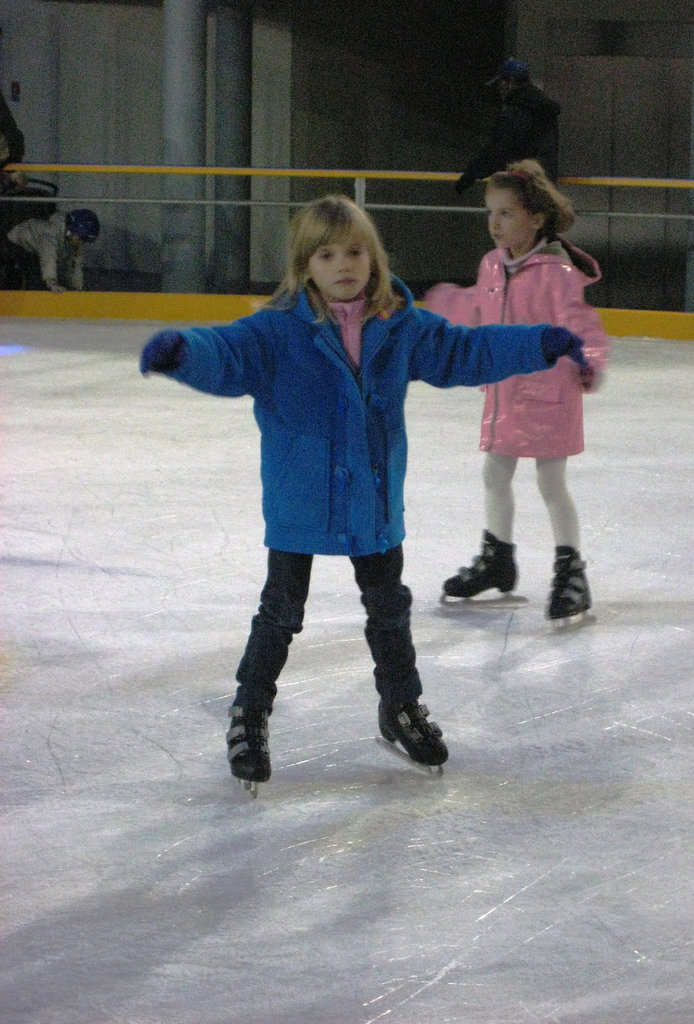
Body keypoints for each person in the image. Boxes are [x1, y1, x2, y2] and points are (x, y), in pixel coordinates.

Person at [139, 193, 589, 790]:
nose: (344, 265)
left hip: (373, 499)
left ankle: (399, 707)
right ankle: (250, 711)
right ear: (306, 267)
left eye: (354, 251)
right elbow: (227, 353)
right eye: (327, 255)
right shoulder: (277, 331)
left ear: (373, 258)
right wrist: (182, 354)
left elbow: (466, 351)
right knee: (280, 613)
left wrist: (538, 343)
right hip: (302, 501)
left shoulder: (399, 325)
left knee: (389, 610)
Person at [425, 160, 610, 624]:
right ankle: (497, 558)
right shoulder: (492, 265)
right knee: (495, 474)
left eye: (506, 213)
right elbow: (475, 306)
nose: (494, 223)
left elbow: (581, 323)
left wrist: (589, 359)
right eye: (491, 213)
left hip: (549, 395)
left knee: (551, 483)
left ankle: (571, 570)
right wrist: (439, 301)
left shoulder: (557, 274)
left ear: (536, 218)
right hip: (505, 395)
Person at [455, 58, 560, 196]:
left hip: (522, 185)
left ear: (510, 82)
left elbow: (498, 150)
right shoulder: (545, 111)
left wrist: (470, 176)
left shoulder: (515, 112)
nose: (499, 89)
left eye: (500, 83)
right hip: (544, 185)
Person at [6, 207, 100, 290]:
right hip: (18, 244)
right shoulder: (50, 231)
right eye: (80, 237)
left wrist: (77, 288)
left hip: (36, 251)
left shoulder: (75, 240)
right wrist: (51, 283)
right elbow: (48, 255)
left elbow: (74, 265)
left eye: (84, 240)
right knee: (32, 281)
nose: (81, 242)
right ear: (71, 229)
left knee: (40, 280)